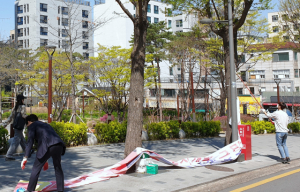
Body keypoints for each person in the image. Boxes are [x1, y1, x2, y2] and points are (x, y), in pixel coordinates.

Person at [22, 114, 66, 192]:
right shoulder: (45, 124)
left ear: (29, 122)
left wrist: (25, 157)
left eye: (27, 124)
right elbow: (45, 139)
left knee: (36, 168)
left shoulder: (32, 126)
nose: (27, 126)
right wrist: (45, 159)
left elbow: (30, 142)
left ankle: (30, 190)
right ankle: (61, 189)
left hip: (47, 146)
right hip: (58, 144)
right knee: (58, 167)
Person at [2, 94, 27, 161]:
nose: (24, 100)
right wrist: (31, 119)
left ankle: (27, 151)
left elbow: (10, 117)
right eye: (23, 99)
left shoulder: (15, 108)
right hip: (19, 126)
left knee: (21, 139)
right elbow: (24, 116)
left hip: (16, 126)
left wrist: (5, 124)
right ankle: (9, 155)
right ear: (22, 100)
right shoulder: (23, 107)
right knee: (16, 140)